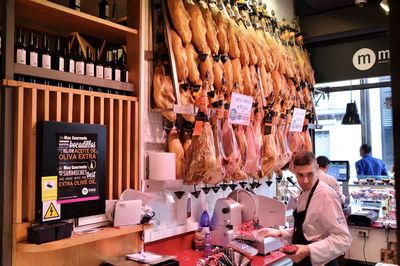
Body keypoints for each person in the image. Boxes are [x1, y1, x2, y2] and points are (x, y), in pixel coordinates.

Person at [253, 151, 351, 266]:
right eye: (300, 175)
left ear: (317, 169)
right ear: (294, 171)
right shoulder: (306, 193)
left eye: (310, 174)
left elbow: (344, 239)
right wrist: (279, 233)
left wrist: (309, 250)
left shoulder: (326, 195)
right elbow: (309, 229)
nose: (305, 181)